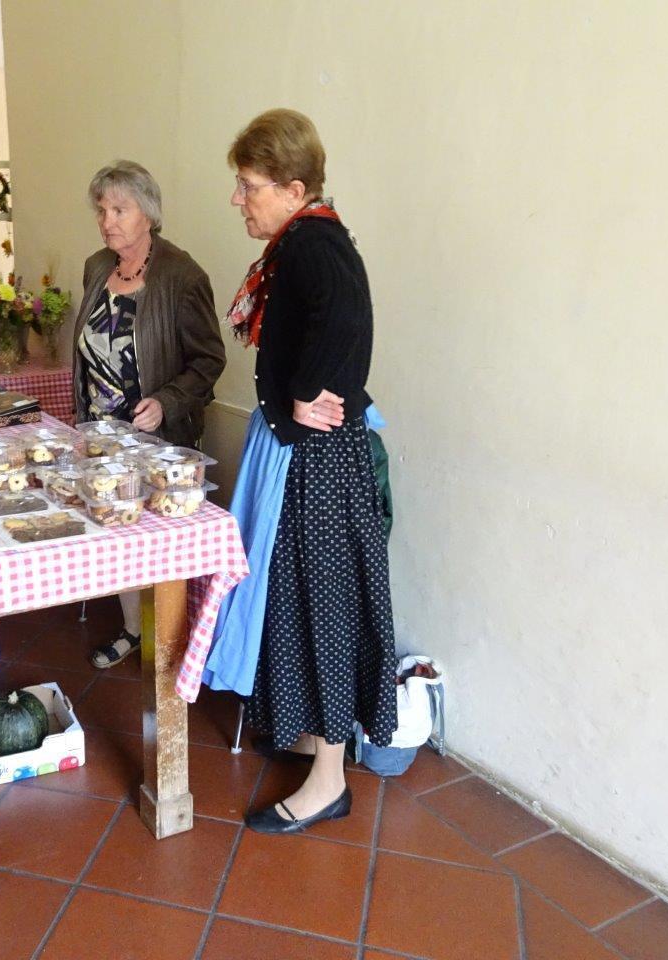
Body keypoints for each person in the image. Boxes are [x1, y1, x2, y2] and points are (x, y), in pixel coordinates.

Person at [206, 109, 398, 834]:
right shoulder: (303, 241)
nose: (238, 198)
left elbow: (347, 325)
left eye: (248, 185)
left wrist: (305, 397)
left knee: (323, 605)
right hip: (310, 457)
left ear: (292, 188)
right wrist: (298, 398)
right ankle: (317, 737)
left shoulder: (314, 244)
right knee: (297, 597)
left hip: (319, 461)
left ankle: (329, 780)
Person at [71, 160, 226, 668]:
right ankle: (133, 630)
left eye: (120, 210)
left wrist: (167, 401)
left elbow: (208, 361)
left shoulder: (182, 275)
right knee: (113, 532)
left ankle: (172, 649)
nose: (107, 221)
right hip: (102, 436)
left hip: (157, 441)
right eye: (102, 210)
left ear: (148, 214)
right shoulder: (98, 267)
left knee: (156, 546)